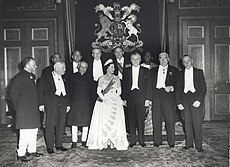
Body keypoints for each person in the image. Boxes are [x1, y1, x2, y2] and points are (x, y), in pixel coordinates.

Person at [87, 59, 129, 150]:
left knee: (114, 121)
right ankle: (103, 141)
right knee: (103, 121)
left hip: (114, 101)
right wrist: (105, 99)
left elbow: (119, 91)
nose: (113, 69)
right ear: (107, 68)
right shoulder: (101, 78)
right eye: (112, 67)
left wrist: (113, 97)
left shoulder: (116, 78)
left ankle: (114, 141)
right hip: (104, 101)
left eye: (114, 67)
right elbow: (98, 91)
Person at [10, 57, 43, 162]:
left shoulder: (32, 76)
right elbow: (13, 95)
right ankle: (20, 153)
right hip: (23, 110)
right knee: (24, 132)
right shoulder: (18, 78)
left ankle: (32, 150)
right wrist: (18, 109)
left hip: (32, 110)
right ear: (27, 65)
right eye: (33, 65)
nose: (35, 67)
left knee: (33, 131)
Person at [146, 52, 178, 148]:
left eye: (165, 58)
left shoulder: (174, 70)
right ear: (158, 59)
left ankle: (171, 142)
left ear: (168, 59)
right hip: (156, 95)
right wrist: (149, 98)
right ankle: (157, 141)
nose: (163, 60)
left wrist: (171, 87)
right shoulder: (153, 71)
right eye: (161, 58)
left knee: (170, 120)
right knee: (156, 119)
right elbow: (149, 85)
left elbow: (179, 84)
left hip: (168, 96)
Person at [38, 61, 70, 154]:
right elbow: (40, 91)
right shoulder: (45, 78)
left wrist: (68, 104)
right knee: (50, 124)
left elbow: (68, 93)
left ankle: (59, 144)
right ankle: (50, 146)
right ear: (58, 68)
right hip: (51, 104)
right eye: (64, 68)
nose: (65, 70)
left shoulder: (64, 79)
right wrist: (41, 104)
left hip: (63, 104)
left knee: (61, 124)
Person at [176, 54, 207, 152]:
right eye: (184, 62)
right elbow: (177, 90)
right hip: (184, 99)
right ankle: (189, 144)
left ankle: (199, 146)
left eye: (188, 61)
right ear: (182, 63)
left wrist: (199, 100)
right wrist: (179, 103)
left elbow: (203, 88)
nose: (186, 63)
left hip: (196, 99)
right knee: (187, 123)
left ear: (192, 61)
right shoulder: (180, 74)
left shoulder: (199, 72)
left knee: (197, 123)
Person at [123, 52, 149, 148]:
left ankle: (142, 141)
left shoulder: (145, 70)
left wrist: (148, 99)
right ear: (130, 60)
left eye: (137, 59)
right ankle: (133, 141)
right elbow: (124, 85)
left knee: (141, 119)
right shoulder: (126, 70)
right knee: (131, 119)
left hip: (141, 96)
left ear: (140, 59)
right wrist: (124, 98)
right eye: (133, 59)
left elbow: (149, 85)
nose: (135, 61)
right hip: (130, 96)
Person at [67, 61, 92, 148]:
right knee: (75, 122)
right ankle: (74, 141)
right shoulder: (72, 77)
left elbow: (91, 92)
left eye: (85, 67)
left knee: (85, 122)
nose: (83, 69)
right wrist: (69, 103)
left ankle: (84, 140)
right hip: (75, 103)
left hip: (86, 103)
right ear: (78, 67)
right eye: (81, 67)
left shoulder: (89, 77)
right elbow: (69, 91)